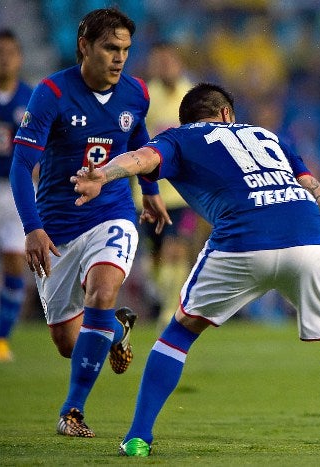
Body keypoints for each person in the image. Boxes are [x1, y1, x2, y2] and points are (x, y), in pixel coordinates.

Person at [70, 82, 320, 456]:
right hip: (308, 235)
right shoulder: (268, 137)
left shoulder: (179, 138)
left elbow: (142, 159)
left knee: (179, 333)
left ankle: (139, 437)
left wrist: (104, 173)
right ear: (227, 114)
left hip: (242, 238)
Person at [9, 8, 169, 438]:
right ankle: (117, 328)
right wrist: (32, 227)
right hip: (57, 227)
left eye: (125, 50)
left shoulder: (136, 93)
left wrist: (150, 193)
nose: (119, 58)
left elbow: (138, 141)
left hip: (111, 214)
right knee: (67, 342)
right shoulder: (51, 93)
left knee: (101, 291)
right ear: (84, 46)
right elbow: (21, 166)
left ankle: (72, 411)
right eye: (110, 48)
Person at [135, 41, 199, 329]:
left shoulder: (193, 97)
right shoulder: (146, 98)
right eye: (158, 62)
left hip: (184, 192)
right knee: (156, 257)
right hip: (150, 192)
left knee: (178, 249)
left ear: (179, 63)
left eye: (169, 61)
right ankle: (166, 298)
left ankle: (170, 311)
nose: (164, 67)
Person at [0, 29, 32, 362]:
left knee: (13, 264)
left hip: (15, 191)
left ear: (20, 58)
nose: (4, 58)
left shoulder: (31, 98)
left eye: (9, 52)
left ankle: (1, 339)